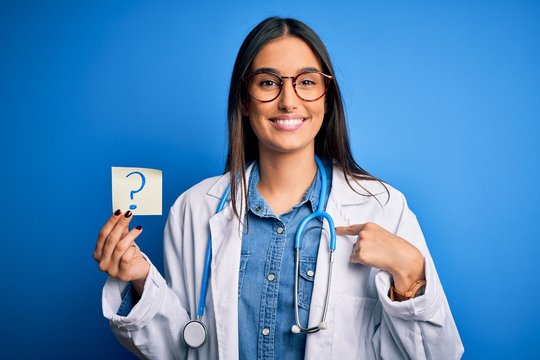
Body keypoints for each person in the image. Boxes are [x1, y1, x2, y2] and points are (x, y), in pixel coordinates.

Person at [94, 17, 464, 359]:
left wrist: (411, 275)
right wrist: (140, 280)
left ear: (327, 97)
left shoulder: (382, 207)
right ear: (244, 100)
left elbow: (438, 355)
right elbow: (183, 348)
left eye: (306, 82)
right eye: (269, 82)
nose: (289, 100)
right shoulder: (194, 209)